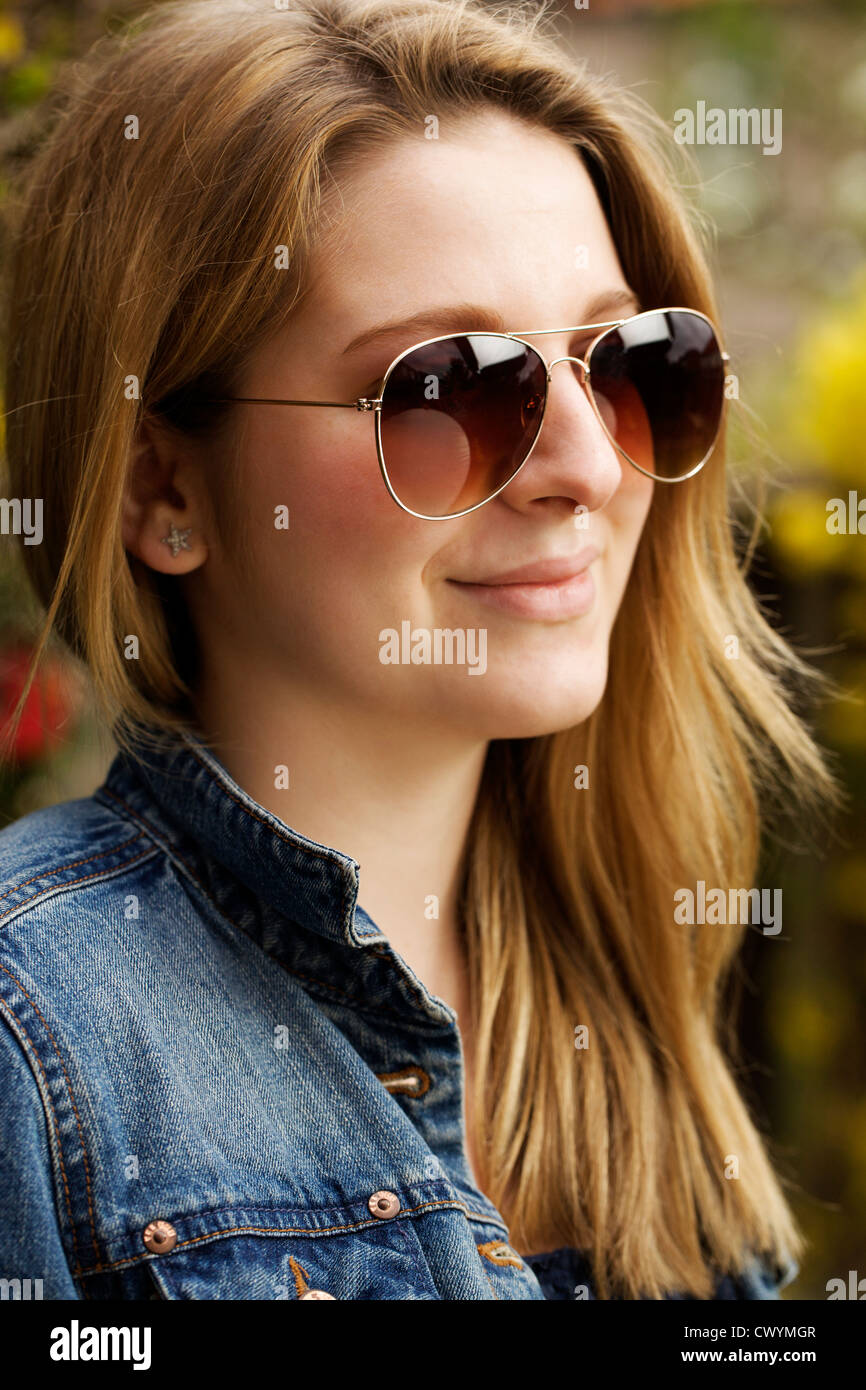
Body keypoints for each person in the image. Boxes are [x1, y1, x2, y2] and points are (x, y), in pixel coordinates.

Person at [0, 0, 834, 1300]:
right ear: (160, 488)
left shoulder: (620, 986)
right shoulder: (26, 1035)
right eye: (447, 387)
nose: (582, 468)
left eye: (626, 364)